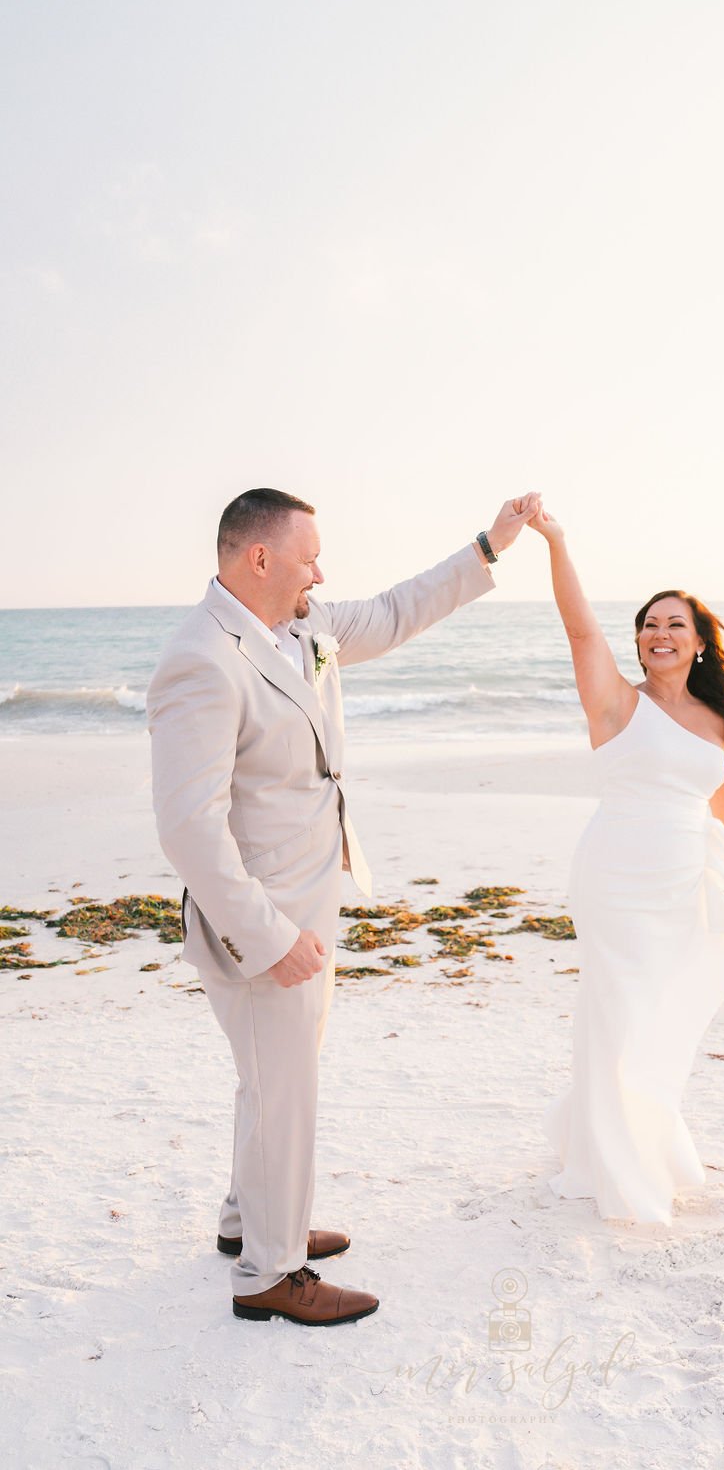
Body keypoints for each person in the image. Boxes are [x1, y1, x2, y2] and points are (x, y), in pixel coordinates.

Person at [146, 486, 540, 1325]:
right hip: (261, 922)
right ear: (259, 558)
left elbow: (399, 610)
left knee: (271, 1080)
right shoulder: (202, 658)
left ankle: (247, 1218)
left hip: (313, 897)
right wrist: (266, 934)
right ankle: (270, 1272)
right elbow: (189, 826)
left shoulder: (309, 628)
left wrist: (489, 545)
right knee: (284, 1088)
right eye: (308, 554)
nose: (321, 570)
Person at [528, 506, 724, 1226]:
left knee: (660, 1014)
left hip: (682, 884)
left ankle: (623, 1128)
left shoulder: (718, 722)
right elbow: (580, 627)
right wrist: (557, 539)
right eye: (648, 624)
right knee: (619, 1011)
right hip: (614, 876)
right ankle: (617, 1163)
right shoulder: (614, 703)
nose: (659, 634)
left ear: (698, 642)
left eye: (675, 624)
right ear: (636, 642)